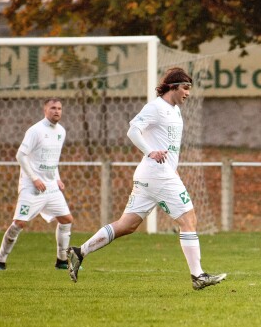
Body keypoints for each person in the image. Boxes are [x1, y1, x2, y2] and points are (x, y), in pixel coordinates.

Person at [66, 67, 226, 290]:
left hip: (156, 174)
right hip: (156, 173)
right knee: (188, 219)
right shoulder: (156, 107)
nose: (188, 93)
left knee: (127, 225)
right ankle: (198, 276)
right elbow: (133, 130)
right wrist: (150, 151)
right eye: (185, 88)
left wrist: (173, 170)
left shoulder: (175, 110)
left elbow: (168, 147)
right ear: (173, 87)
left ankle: (79, 251)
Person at [0, 98, 73, 271]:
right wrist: (35, 178)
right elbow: (20, 156)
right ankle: (0, 262)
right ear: (45, 110)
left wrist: (57, 177)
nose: (57, 111)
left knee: (66, 220)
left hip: (51, 187)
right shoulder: (35, 130)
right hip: (32, 187)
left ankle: (62, 261)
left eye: (59, 108)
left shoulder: (61, 131)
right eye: (53, 108)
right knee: (19, 223)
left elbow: (52, 158)